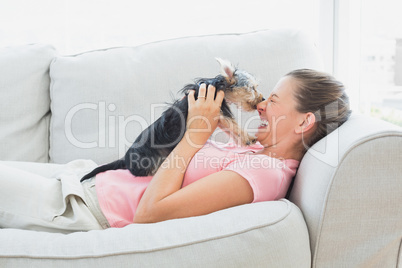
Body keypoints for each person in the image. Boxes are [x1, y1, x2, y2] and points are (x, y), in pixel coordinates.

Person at [0, 69, 351, 232]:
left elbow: (151, 214)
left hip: (85, 207)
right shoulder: (258, 155)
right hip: (87, 180)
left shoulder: (266, 175)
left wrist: (196, 135)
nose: (260, 106)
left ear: (304, 123)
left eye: (273, 100)